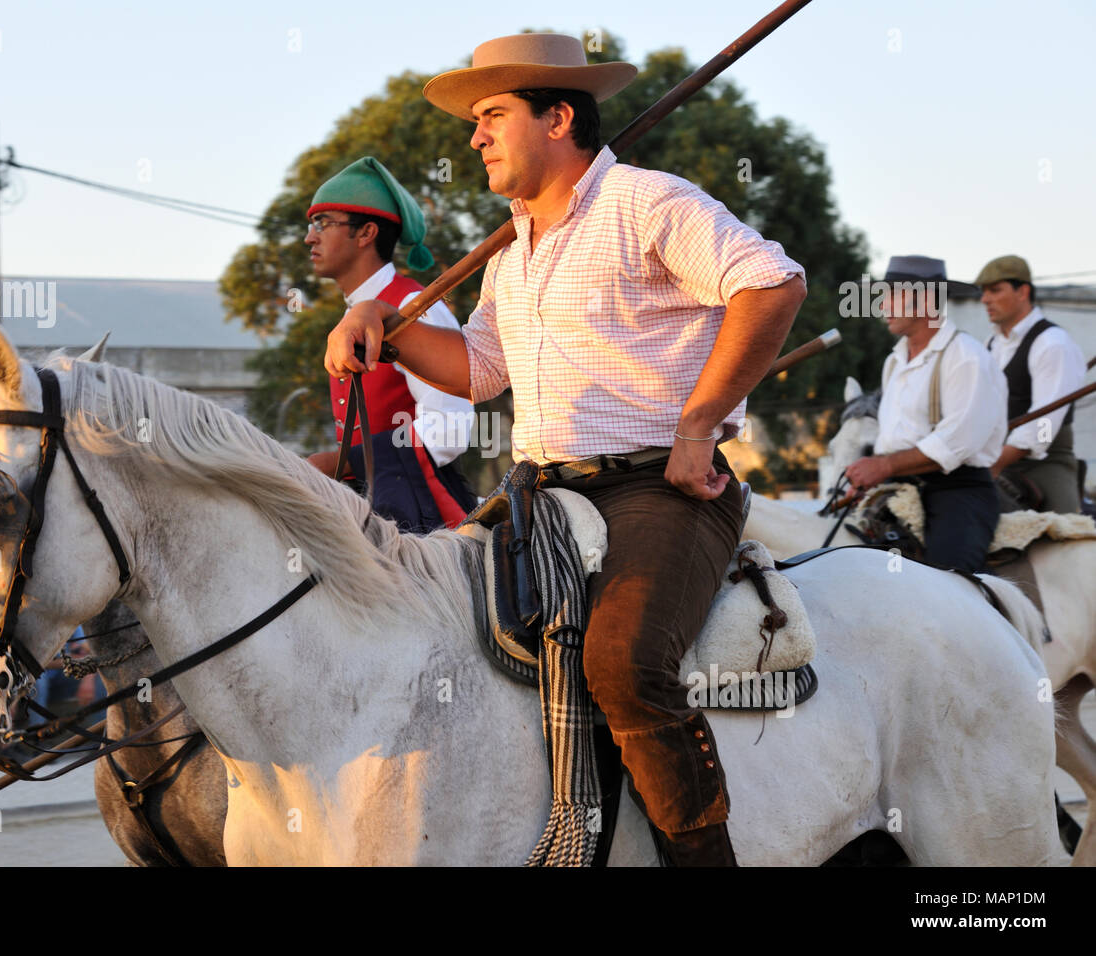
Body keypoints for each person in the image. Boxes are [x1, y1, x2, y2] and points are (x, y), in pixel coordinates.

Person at [325, 33, 807, 865]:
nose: (473, 137)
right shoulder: (510, 255)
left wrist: (700, 425)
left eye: (491, 116)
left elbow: (773, 283)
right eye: (475, 121)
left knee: (624, 667)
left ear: (556, 117)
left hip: (659, 488)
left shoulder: (649, 202)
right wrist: (387, 331)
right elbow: (478, 371)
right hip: (539, 496)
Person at [304, 156, 477, 532]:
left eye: (323, 223)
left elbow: (450, 429)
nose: (309, 237)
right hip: (369, 507)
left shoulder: (414, 311)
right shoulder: (352, 315)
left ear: (366, 234)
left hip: (423, 524)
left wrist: (342, 462)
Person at [844, 255, 1007, 572]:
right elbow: (892, 436)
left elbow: (957, 443)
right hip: (896, 488)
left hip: (957, 492)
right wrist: (870, 476)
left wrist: (884, 464)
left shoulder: (966, 357)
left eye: (893, 295)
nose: (882, 307)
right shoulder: (894, 361)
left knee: (950, 586)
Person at [976, 254, 1086, 513]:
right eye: (983, 292)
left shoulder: (1052, 343)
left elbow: (1045, 424)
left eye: (995, 290)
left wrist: (997, 461)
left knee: (1065, 538)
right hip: (992, 457)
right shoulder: (990, 345)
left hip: (1044, 463)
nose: (985, 299)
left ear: (1022, 291)